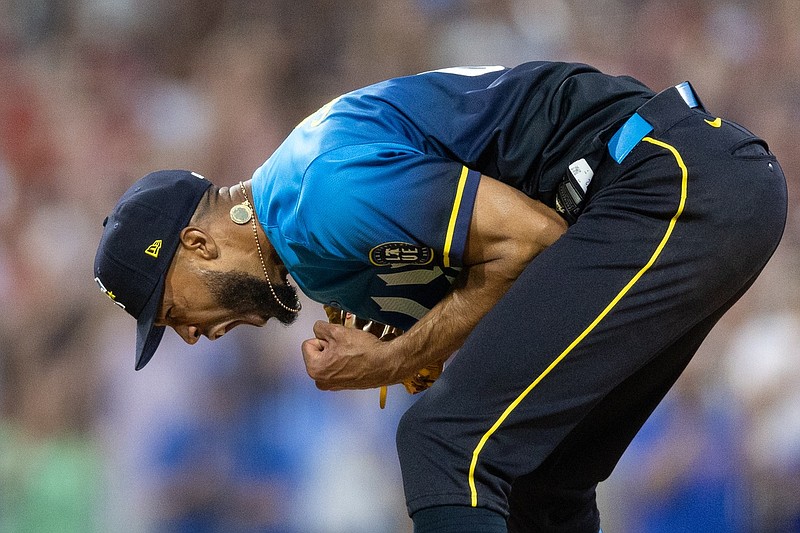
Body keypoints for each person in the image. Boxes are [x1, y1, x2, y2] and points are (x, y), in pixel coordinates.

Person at [93, 61, 787, 532]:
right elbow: (492, 293)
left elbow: (531, 241)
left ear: (199, 243)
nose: (187, 333)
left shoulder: (321, 190)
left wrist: (392, 362)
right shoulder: (309, 241)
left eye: (170, 307)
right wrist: (419, 344)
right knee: (539, 476)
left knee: (442, 443)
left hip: (670, 183)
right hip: (679, 191)